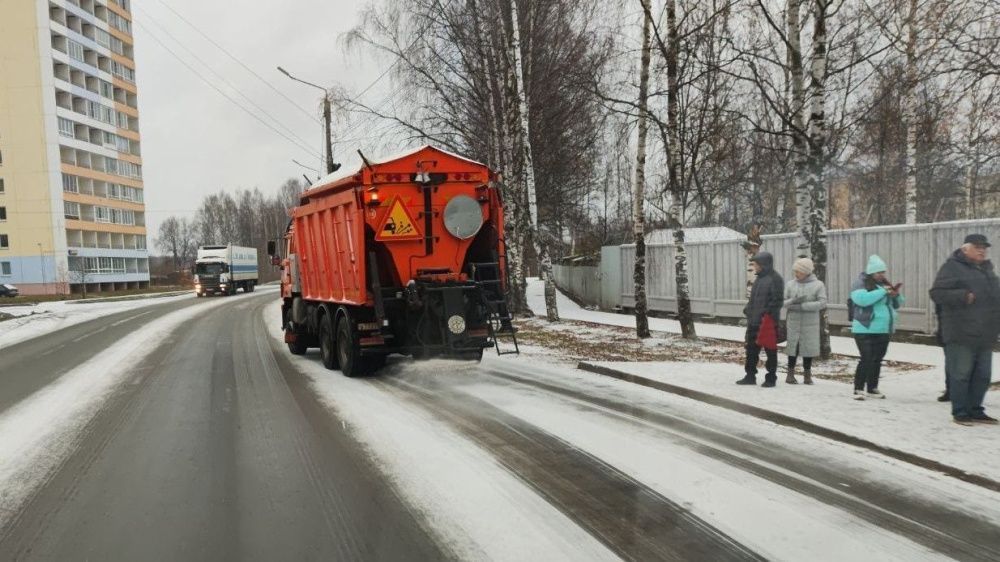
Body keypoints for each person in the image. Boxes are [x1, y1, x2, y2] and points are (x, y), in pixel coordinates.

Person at [929, 234, 1000, 426]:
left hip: (985, 334)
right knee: (961, 374)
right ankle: (960, 412)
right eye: (977, 247)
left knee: (983, 375)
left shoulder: (987, 270)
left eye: (984, 247)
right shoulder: (952, 267)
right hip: (961, 332)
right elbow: (936, 293)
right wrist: (962, 296)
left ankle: (976, 410)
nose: (982, 250)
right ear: (965, 249)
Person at [850, 255, 905, 400]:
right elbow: (862, 300)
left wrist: (895, 295)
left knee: (877, 359)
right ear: (871, 272)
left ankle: (872, 387)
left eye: (883, 272)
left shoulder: (885, 285)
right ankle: (858, 388)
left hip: (883, 328)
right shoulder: (860, 283)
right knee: (866, 357)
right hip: (864, 327)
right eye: (878, 272)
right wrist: (883, 291)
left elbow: (898, 303)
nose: (881, 275)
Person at [737, 252, 784, 388]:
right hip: (754, 321)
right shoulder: (758, 279)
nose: (755, 267)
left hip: (768, 322)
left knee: (770, 351)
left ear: (764, 264)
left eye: (756, 264)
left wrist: (766, 314)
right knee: (751, 350)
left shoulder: (775, 279)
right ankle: (750, 375)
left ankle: (771, 378)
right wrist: (748, 309)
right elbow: (753, 299)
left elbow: (777, 301)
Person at [784, 257, 827, 385]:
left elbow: (822, 302)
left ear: (807, 272)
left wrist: (803, 306)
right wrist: (792, 301)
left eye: (799, 271)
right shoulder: (790, 284)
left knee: (808, 348)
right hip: (793, 322)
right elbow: (783, 301)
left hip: (810, 323)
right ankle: (790, 374)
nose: (796, 274)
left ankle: (807, 375)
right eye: (795, 271)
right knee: (793, 348)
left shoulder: (818, 285)